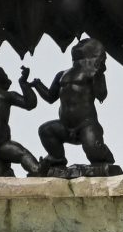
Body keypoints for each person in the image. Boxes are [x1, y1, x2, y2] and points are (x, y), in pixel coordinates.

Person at [21, 38, 115, 171]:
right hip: (65, 126)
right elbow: (50, 97)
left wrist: (99, 74)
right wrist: (37, 85)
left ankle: (106, 157)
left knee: (95, 153)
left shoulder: (93, 73)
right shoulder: (62, 75)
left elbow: (101, 95)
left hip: (86, 124)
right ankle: (57, 158)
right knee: (46, 130)